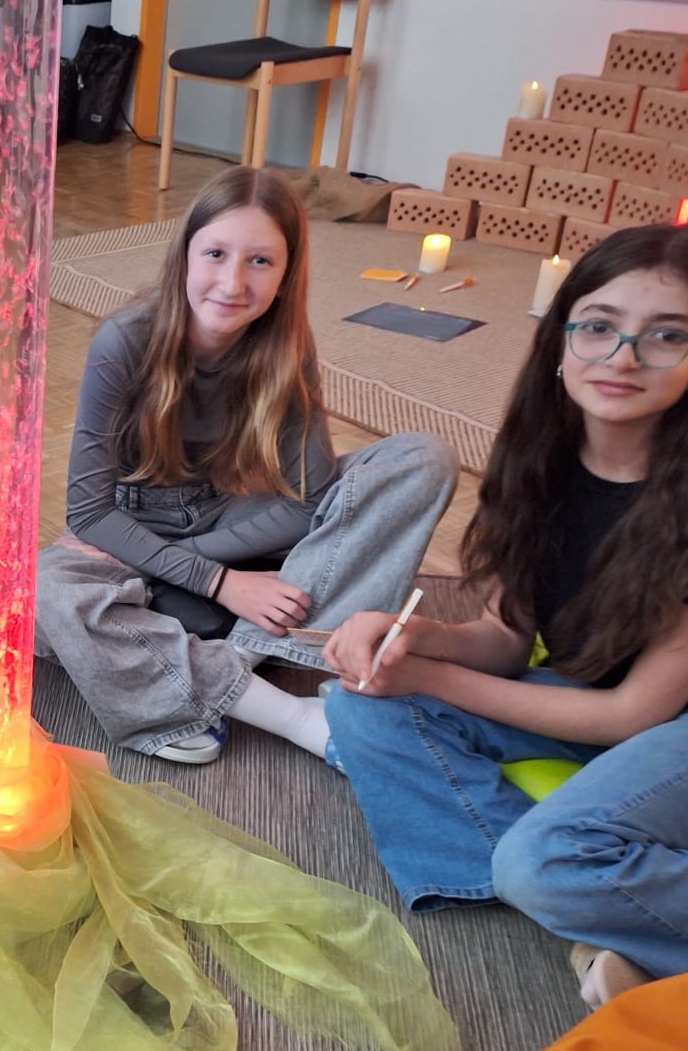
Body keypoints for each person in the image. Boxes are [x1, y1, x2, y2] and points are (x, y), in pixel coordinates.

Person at [321, 223, 688, 1002]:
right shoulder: (536, 459)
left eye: (666, 336)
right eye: (600, 327)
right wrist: (418, 638)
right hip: (594, 690)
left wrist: (429, 677)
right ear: (562, 339)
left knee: (542, 858)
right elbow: (506, 639)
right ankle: (577, 910)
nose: (622, 357)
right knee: (358, 703)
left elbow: (630, 716)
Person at [34, 166, 456, 766]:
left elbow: (307, 497)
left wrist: (194, 568)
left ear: (286, 276)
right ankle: (290, 713)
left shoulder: (287, 346)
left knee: (421, 460)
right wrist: (220, 583)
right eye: (216, 254)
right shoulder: (124, 339)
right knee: (44, 591)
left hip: (230, 521)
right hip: (131, 527)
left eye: (260, 261)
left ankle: (218, 655)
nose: (232, 283)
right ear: (184, 257)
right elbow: (90, 512)